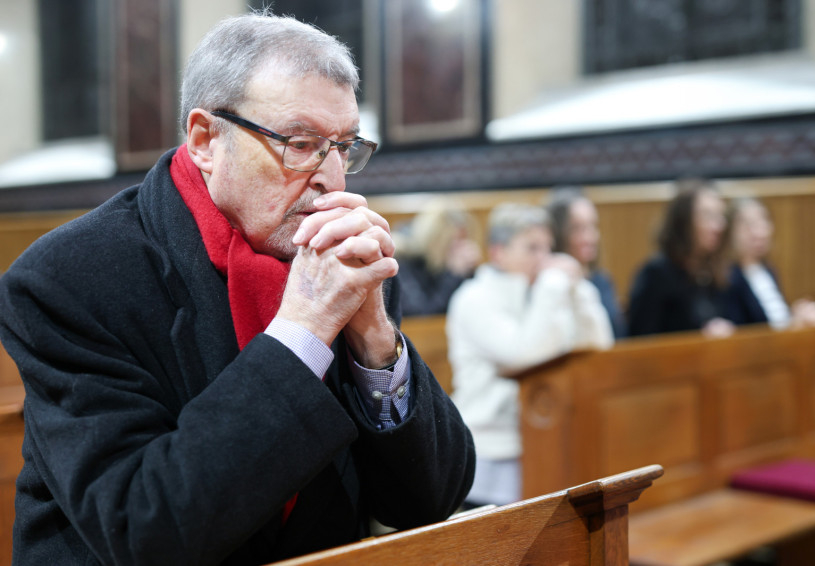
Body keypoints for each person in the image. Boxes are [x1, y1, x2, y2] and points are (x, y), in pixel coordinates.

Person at [0, 12, 474, 566]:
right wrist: (305, 330)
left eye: (344, 147)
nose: (332, 178)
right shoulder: (69, 277)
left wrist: (375, 343)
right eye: (301, 143)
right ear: (206, 139)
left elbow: (433, 499)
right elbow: (145, 531)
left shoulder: (342, 262)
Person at [446, 203, 613, 507]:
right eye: (532, 248)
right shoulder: (473, 298)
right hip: (491, 452)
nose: (545, 260)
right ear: (498, 252)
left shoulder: (542, 294)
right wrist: (553, 285)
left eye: (547, 248)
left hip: (547, 441)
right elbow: (525, 357)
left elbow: (599, 348)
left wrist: (579, 290)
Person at [628, 179, 735, 338]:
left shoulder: (715, 273)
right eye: (708, 216)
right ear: (684, 221)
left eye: (720, 216)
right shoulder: (656, 274)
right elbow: (642, 339)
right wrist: (700, 338)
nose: (719, 226)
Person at [726, 197, 815, 329]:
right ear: (731, 231)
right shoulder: (728, 277)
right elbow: (745, 331)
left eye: (763, 222)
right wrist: (795, 323)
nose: (760, 232)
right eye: (749, 225)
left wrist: (796, 315)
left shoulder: (768, 270)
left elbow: (778, 321)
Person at [546, 188, 627, 338]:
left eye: (593, 226)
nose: (589, 237)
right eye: (577, 229)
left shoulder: (601, 281)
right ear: (557, 234)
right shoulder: (548, 283)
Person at [394, 199, 482, 316]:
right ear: (436, 240)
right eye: (454, 243)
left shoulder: (452, 264)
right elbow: (422, 315)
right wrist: (453, 275)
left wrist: (470, 273)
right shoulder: (402, 261)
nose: (460, 250)